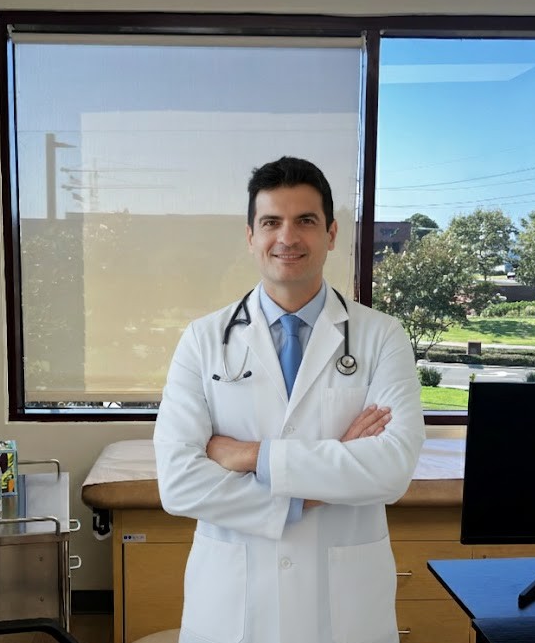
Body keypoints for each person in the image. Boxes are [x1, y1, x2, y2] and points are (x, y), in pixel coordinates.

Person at [154, 156, 425, 643]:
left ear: (331, 233)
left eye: (306, 221)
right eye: (271, 222)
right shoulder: (203, 339)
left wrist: (249, 456)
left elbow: (391, 469)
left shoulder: (382, 336)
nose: (288, 237)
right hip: (233, 605)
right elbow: (178, 483)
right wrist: (323, 482)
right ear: (250, 236)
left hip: (345, 611)